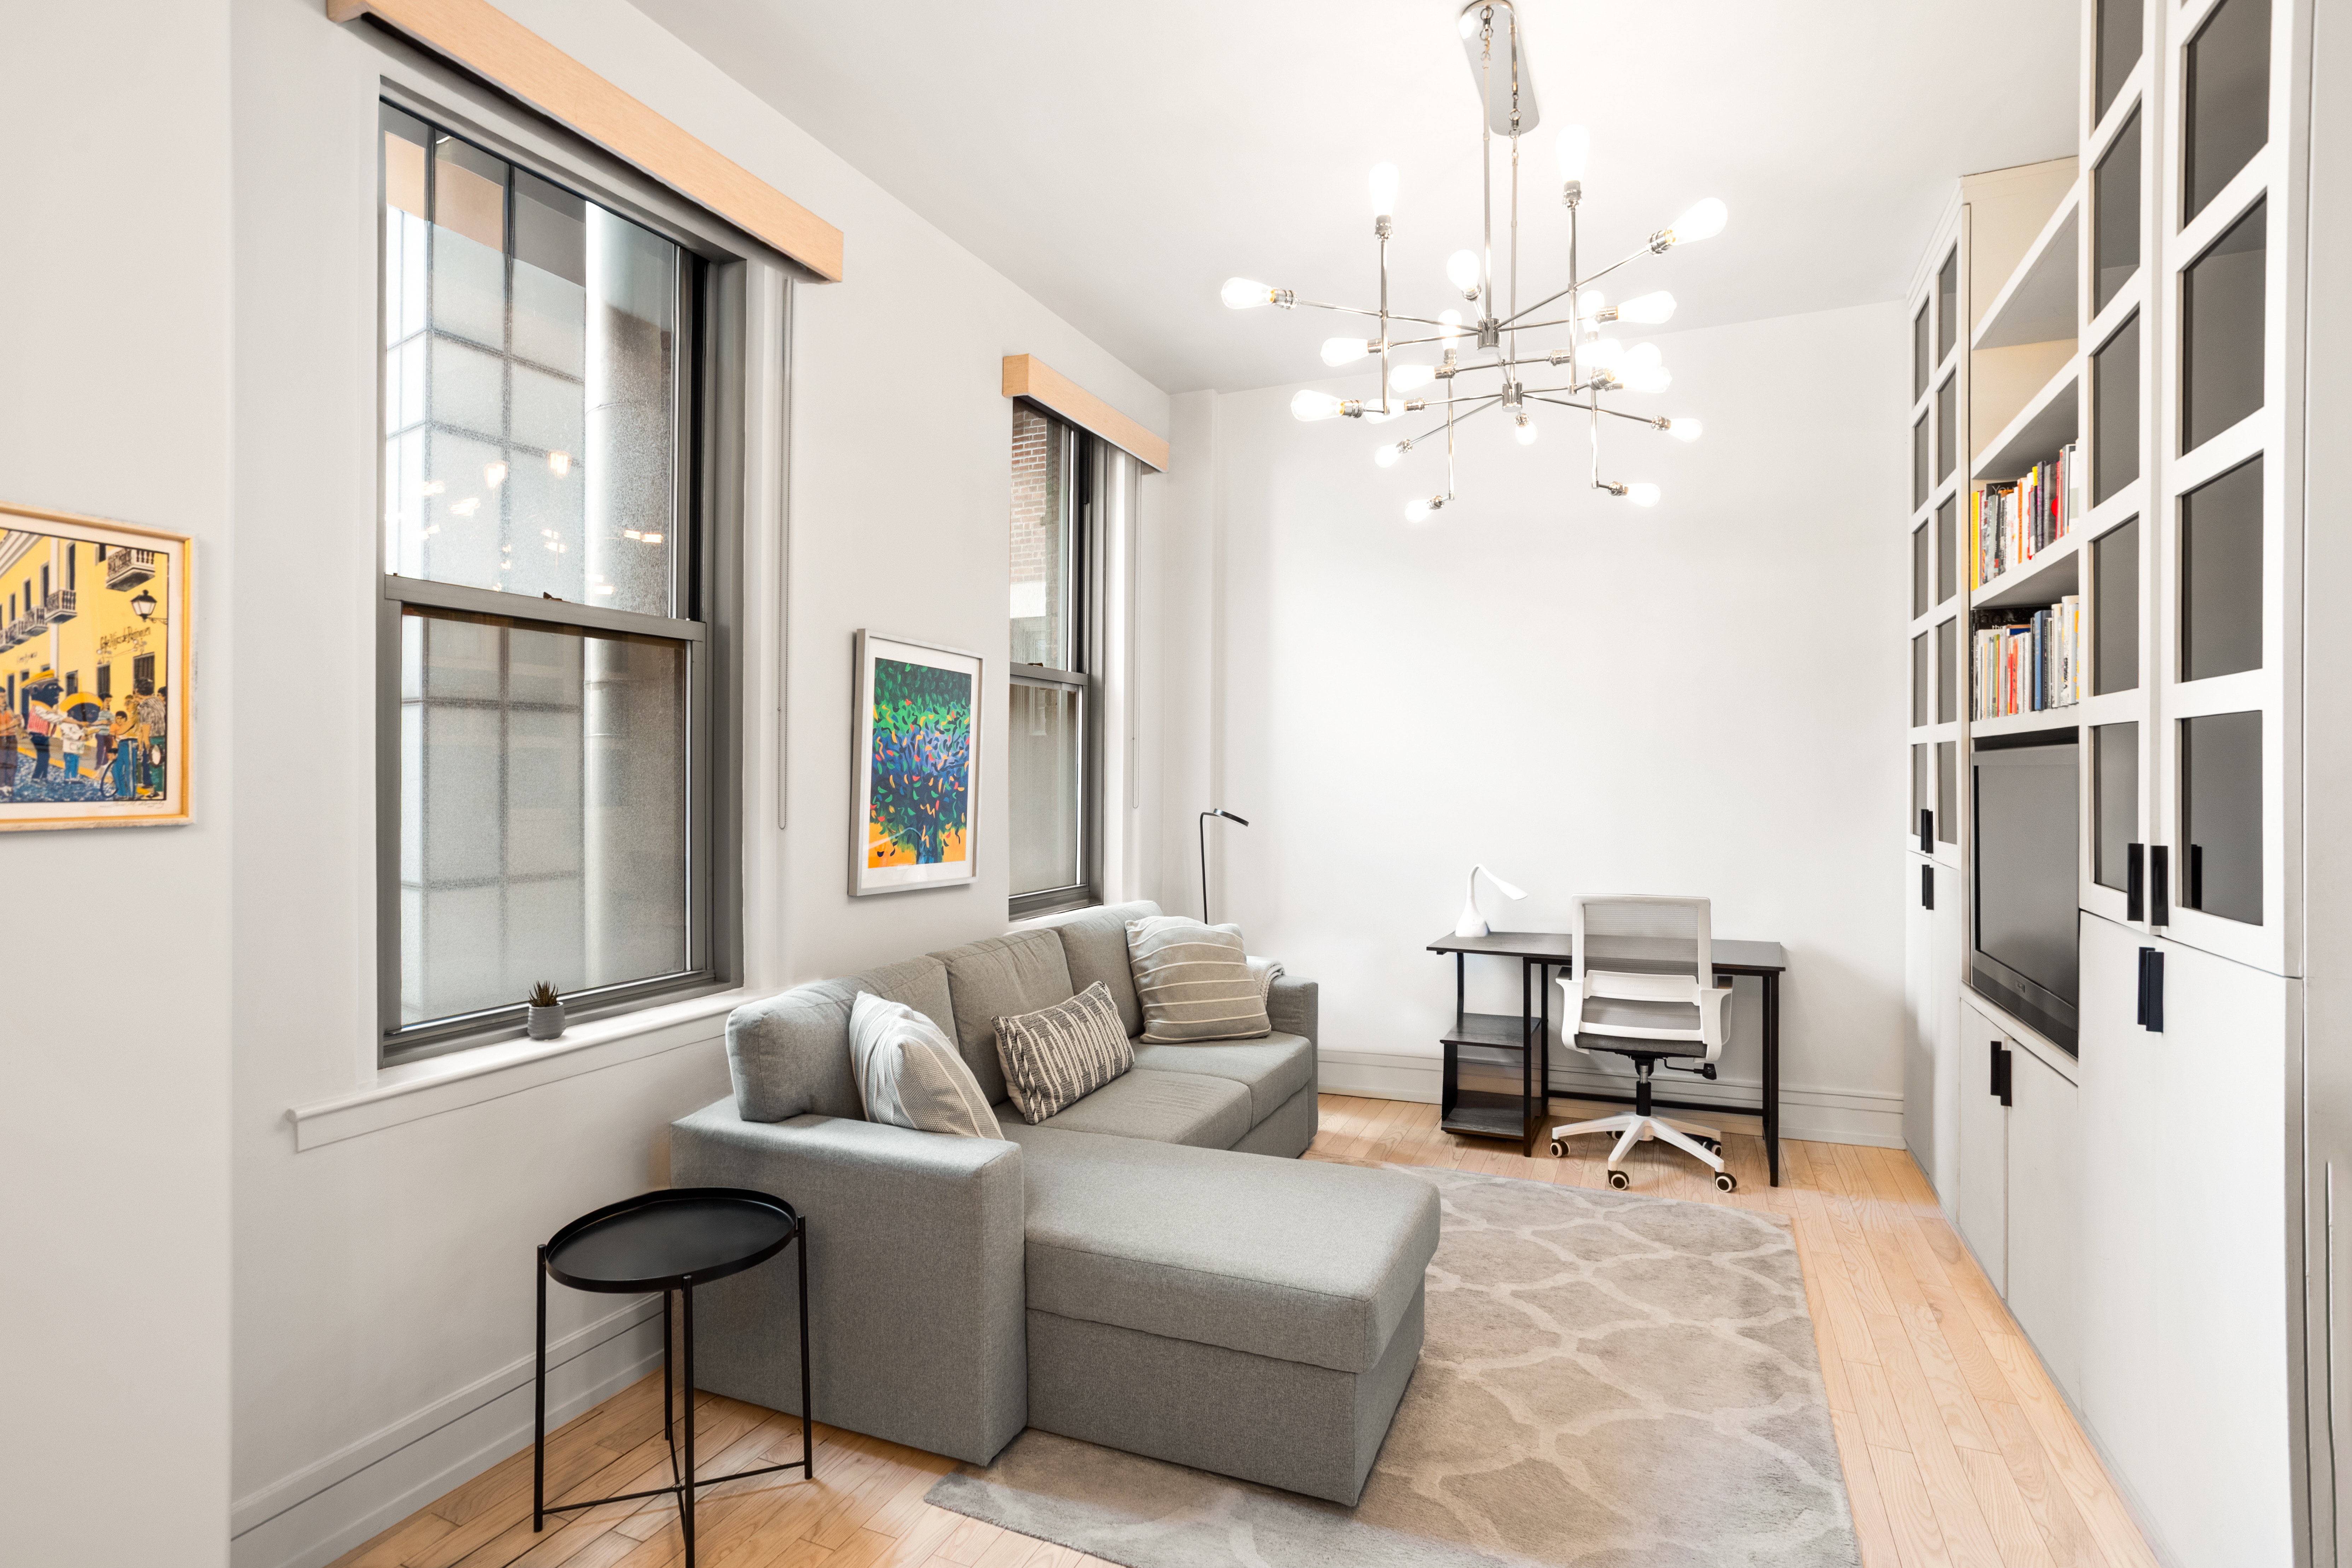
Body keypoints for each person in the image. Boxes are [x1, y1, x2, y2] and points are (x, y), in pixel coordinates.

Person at [25, 699, 54, 782]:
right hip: (38, 735)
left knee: (46, 756)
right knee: (43, 757)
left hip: (41, 736)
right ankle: (36, 777)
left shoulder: (39, 707)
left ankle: (43, 776)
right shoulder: (41, 708)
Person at [54, 713, 86, 783]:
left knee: (76, 762)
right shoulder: (66, 722)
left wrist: (87, 736)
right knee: (70, 762)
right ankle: (69, 778)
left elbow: (82, 731)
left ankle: (73, 777)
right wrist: (79, 737)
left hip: (77, 747)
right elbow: (66, 733)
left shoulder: (79, 721)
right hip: (69, 747)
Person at [0, 702, 19, 788]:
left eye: (5, 697)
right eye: (1, 697)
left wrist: (19, 720)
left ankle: (10, 785)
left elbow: (18, 724)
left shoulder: (9, 710)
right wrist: (11, 725)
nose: (4, 700)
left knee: (13, 761)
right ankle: (2, 786)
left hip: (12, 738)